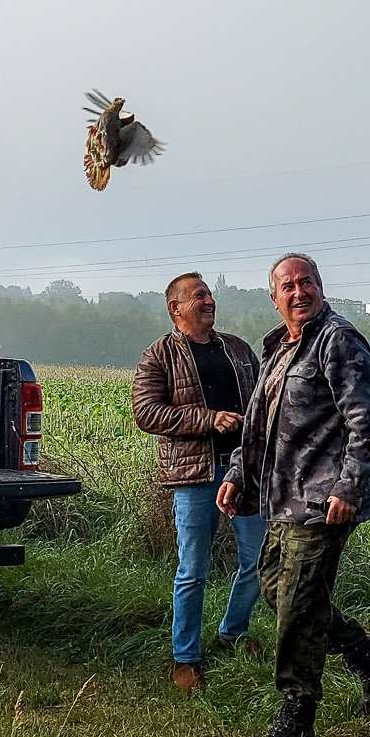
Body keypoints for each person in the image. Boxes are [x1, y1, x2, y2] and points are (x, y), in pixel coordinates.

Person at [218, 253, 370, 737]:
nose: (298, 292)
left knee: (299, 603)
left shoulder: (338, 340)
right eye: (288, 285)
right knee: (277, 591)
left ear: (321, 288)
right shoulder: (278, 348)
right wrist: (239, 474)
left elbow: (364, 420)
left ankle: (296, 719)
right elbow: (258, 424)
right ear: (274, 297)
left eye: (307, 282)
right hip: (283, 498)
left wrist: (349, 487)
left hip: (325, 499)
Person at [132, 272, 265, 694]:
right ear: (175, 308)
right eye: (199, 296)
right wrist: (209, 420)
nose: (209, 301)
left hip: (245, 470)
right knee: (193, 570)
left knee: (259, 559)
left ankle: (233, 631)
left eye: (209, 294)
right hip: (195, 477)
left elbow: (263, 400)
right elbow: (147, 413)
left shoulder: (239, 349)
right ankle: (184, 659)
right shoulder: (158, 356)